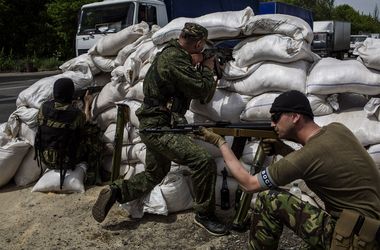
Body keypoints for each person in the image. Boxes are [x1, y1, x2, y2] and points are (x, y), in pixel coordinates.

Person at [196, 90, 380, 249]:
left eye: (276, 117)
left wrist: (220, 143)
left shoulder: (306, 157)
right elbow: (317, 165)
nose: (272, 124)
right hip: (370, 231)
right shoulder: (338, 129)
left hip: (356, 241)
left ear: (294, 117)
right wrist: (283, 149)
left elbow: (249, 184)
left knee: (270, 199)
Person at [92, 23, 228, 236]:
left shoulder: (173, 55)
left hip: (156, 124)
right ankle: (204, 215)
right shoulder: (174, 59)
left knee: (155, 173)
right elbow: (203, 92)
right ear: (199, 43)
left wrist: (196, 64)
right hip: (160, 127)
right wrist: (209, 68)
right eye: (201, 48)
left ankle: (116, 190)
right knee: (203, 162)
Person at [35, 77, 101, 188]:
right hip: (66, 161)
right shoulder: (75, 114)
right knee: (92, 132)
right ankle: (93, 175)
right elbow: (86, 121)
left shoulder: (43, 108)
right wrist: (87, 104)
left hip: (46, 158)